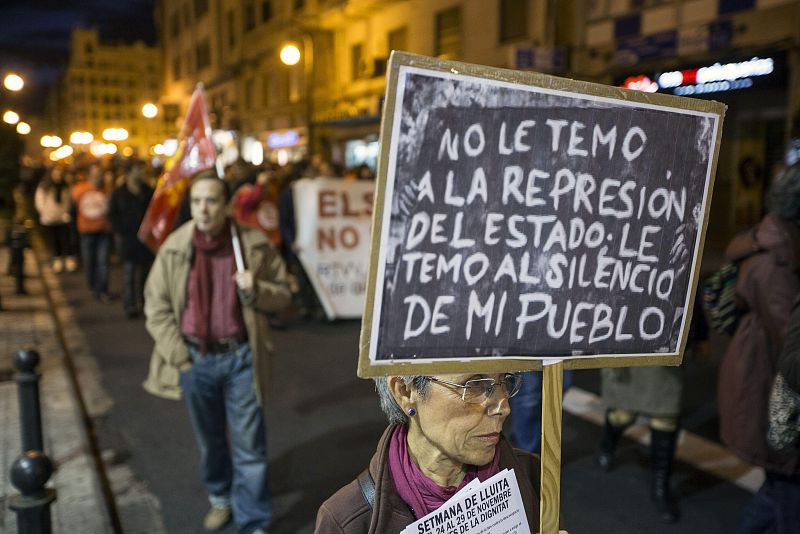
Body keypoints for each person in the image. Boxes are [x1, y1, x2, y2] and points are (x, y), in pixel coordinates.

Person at [143, 172, 291, 534]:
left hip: (242, 358)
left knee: (249, 445)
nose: (203, 209)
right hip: (194, 359)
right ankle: (221, 496)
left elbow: (284, 294)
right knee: (210, 442)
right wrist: (179, 356)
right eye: (196, 201)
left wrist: (256, 290)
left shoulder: (252, 244)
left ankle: (253, 520)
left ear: (227, 206)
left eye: (211, 201)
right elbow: (156, 306)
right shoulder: (176, 248)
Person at [315, 373, 545, 533]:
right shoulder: (346, 521)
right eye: (474, 385)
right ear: (405, 391)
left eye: (505, 380)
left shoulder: (535, 476)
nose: (504, 407)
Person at [718, 162, 800, 533]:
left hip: (764, 376)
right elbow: (790, 340)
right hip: (766, 385)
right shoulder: (775, 262)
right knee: (787, 490)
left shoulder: (775, 241)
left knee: (780, 491)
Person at [108, 162, 154, 318]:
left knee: (145, 274)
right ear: (128, 173)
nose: (140, 174)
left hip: (144, 239)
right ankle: (130, 304)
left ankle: (144, 302)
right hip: (128, 239)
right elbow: (112, 214)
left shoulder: (147, 191)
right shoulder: (119, 193)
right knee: (129, 274)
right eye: (137, 170)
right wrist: (120, 229)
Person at [72, 162, 113, 301]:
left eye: (100, 174)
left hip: (103, 231)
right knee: (89, 261)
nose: (98, 177)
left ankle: (102, 290)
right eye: (95, 174)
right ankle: (93, 286)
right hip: (86, 231)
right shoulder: (79, 190)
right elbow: (73, 210)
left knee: (103, 262)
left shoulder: (107, 190)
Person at [34, 165, 77, 272]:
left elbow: (68, 201)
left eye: (59, 174)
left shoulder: (65, 187)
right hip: (49, 218)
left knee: (65, 239)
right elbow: (39, 202)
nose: (57, 177)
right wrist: (46, 213)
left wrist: (66, 213)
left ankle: (68, 259)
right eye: (55, 174)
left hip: (62, 218)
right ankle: (57, 259)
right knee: (54, 240)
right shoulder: (44, 186)